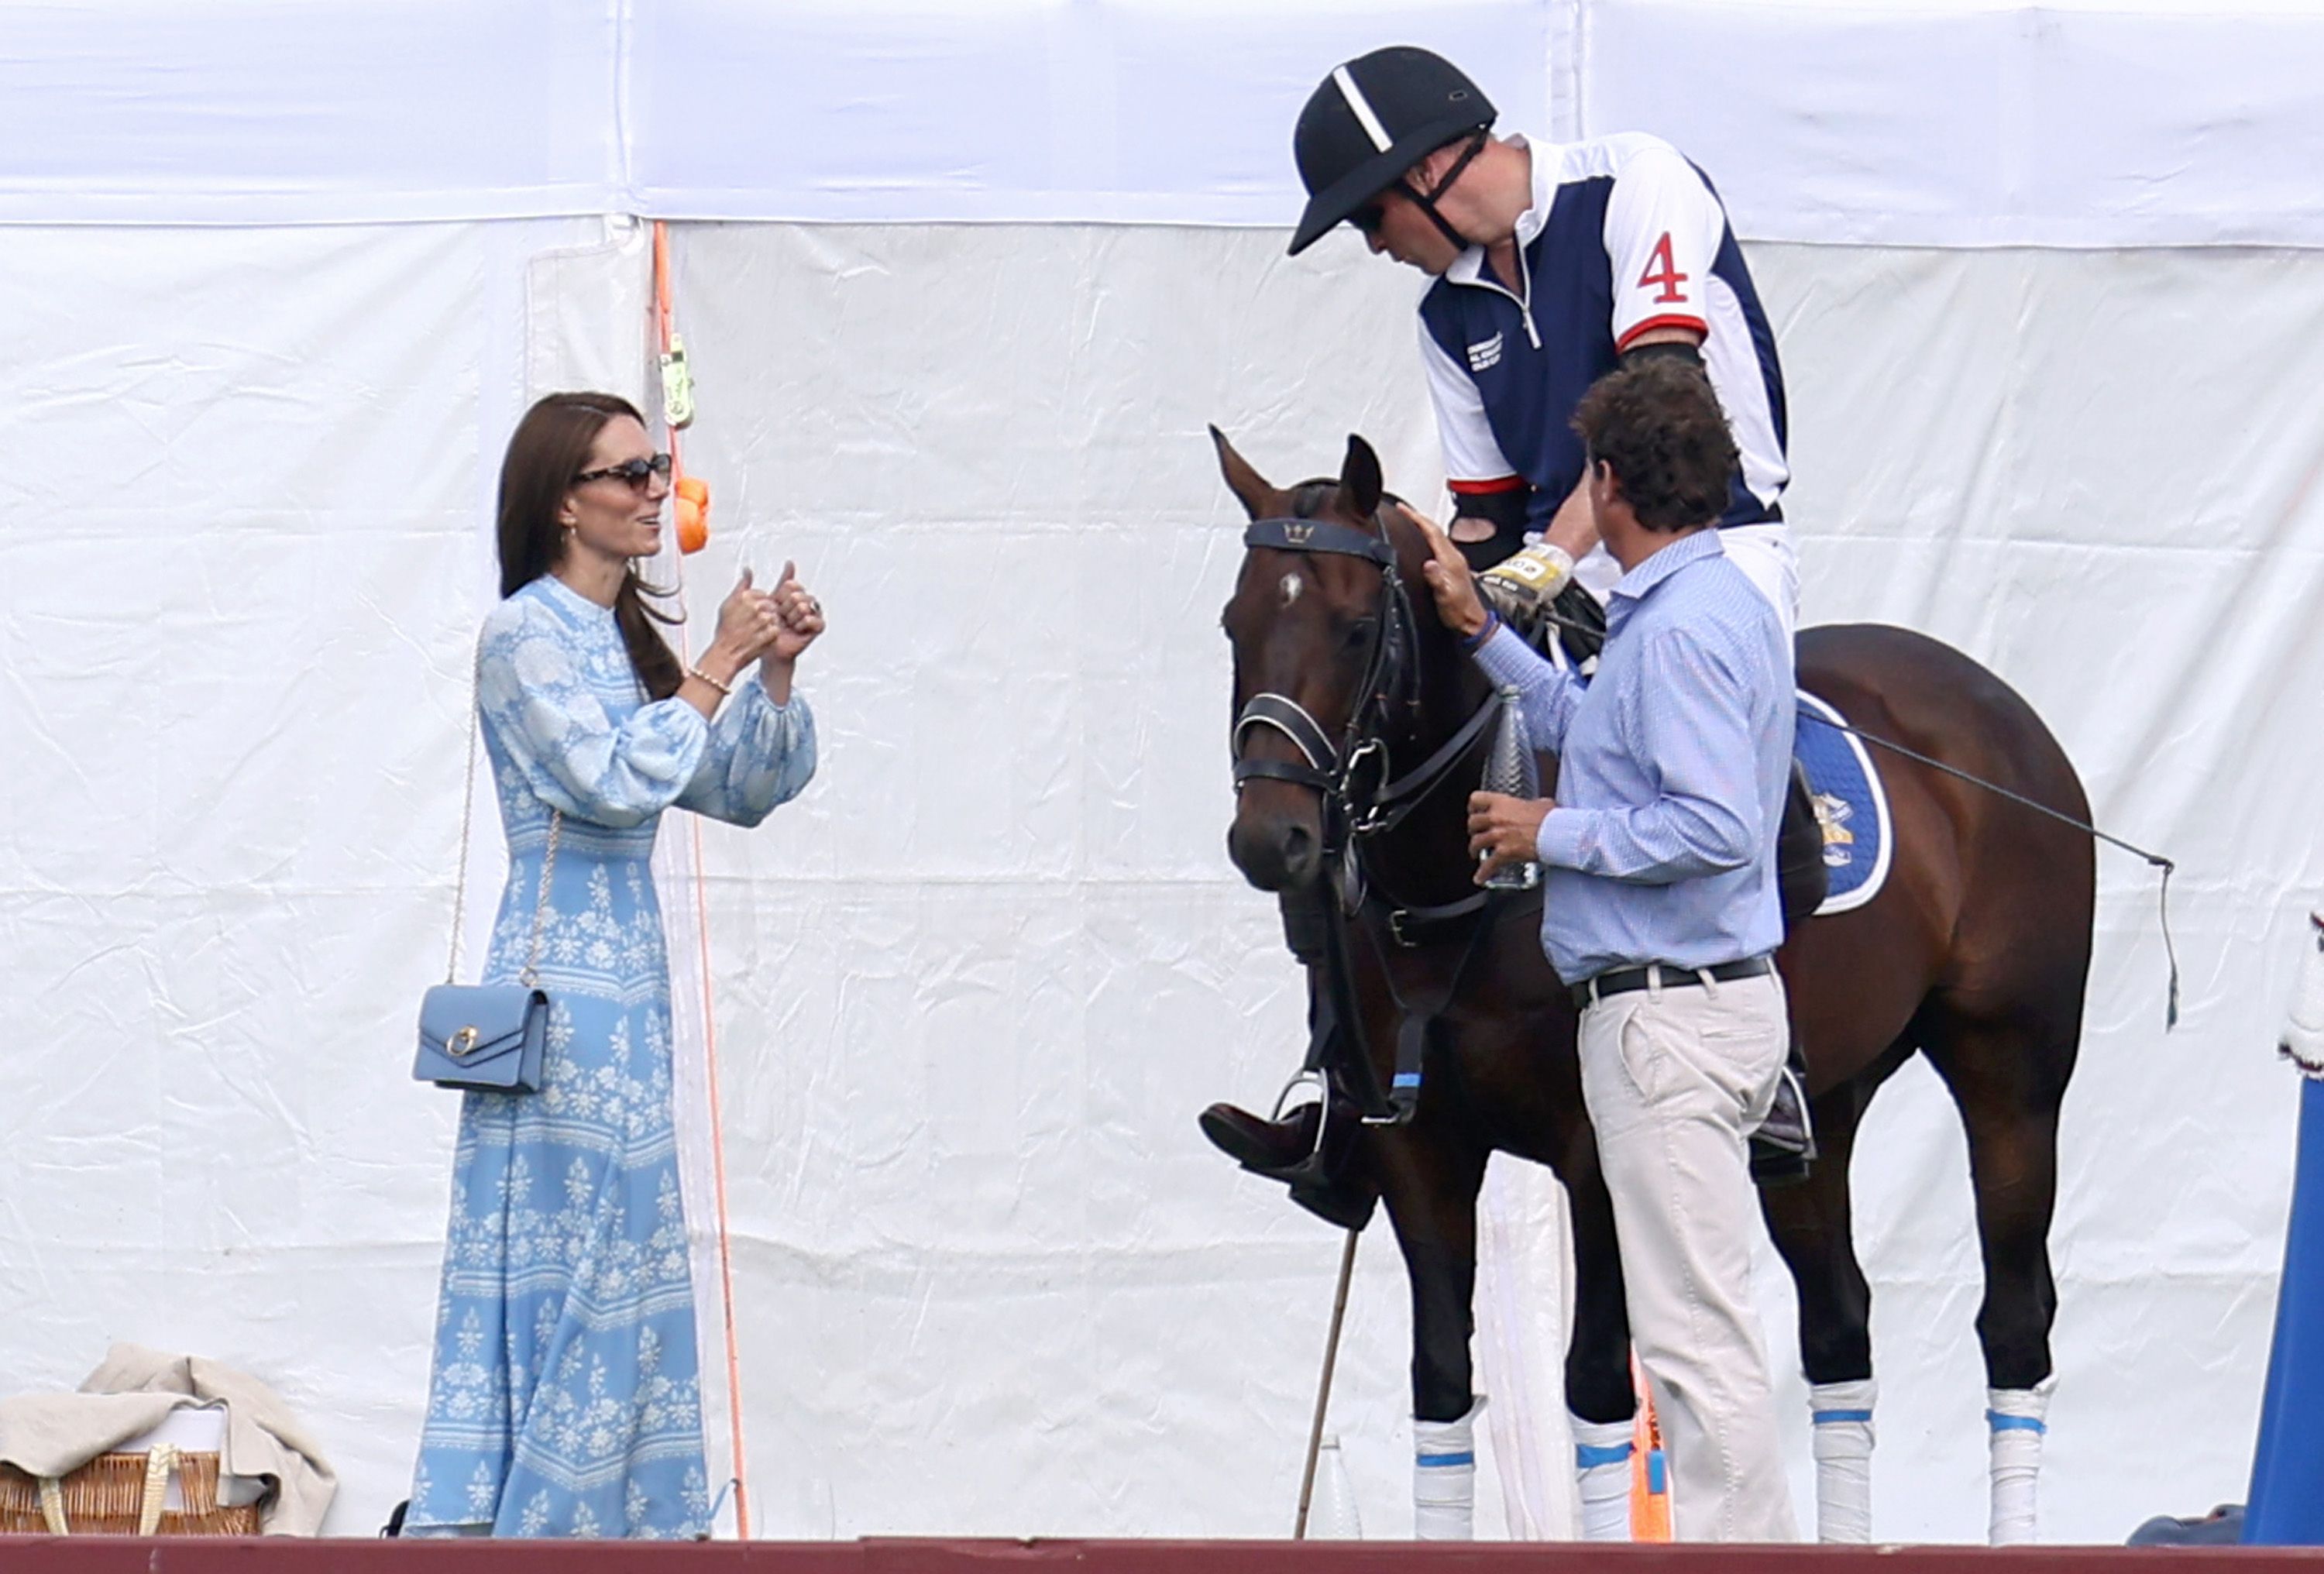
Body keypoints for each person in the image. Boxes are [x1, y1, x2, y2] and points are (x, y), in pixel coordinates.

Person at [1201, 43, 1817, 1184]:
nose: (1374, 245)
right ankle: (1346, 1076)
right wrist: (1424, 568)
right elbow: (1485, 514)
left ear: (1434, 167)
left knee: (1733, 782)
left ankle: (1767, 1055)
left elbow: (1660, 406)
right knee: (1373, 743)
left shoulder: (1638, 185)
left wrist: (1543, 567)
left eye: (1372, 215)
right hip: (1559, 570)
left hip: (1712, 549)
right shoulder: (1447, 315)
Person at [404, 392, 823, 1538]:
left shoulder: (620, 642)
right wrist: (718, 664)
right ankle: (540, 1523)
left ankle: (620, 1522)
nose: (654, 490)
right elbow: (608, 781)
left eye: (658, 466)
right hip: (556, 991)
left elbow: (734, 790)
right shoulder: (525, 633)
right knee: (578, 1246)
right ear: (561, 502)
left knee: (627, 1244)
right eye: (629, 472)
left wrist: (771, 672)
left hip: (629, 989)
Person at [1436, 356, 1798, 1541]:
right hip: (1696, 1006)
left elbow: (1715, 827)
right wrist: (1483, 629)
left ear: (1611, 482)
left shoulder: (1684, 631)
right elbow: (1595, 733)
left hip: (1668, 1016)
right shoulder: (1707, 607)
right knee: (1701, 1329)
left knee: (1696, 1340)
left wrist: (1552, 828)